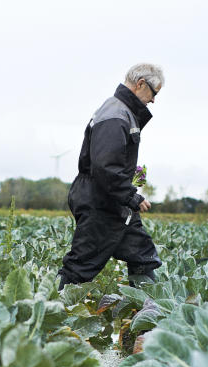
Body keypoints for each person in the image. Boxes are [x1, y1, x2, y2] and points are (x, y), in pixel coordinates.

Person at [58, 63, 164, 289]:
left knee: (143, 255)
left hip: (115, 203)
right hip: (100, 202)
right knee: (80, 267)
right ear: (140, 84)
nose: (154, 100)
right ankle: (44, 310)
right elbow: (105, 166)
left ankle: (148, 314)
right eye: (154, 93)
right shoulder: (116, 114)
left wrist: (137, 182)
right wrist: (131, 196)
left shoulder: (123, 112)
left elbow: (122, 160)